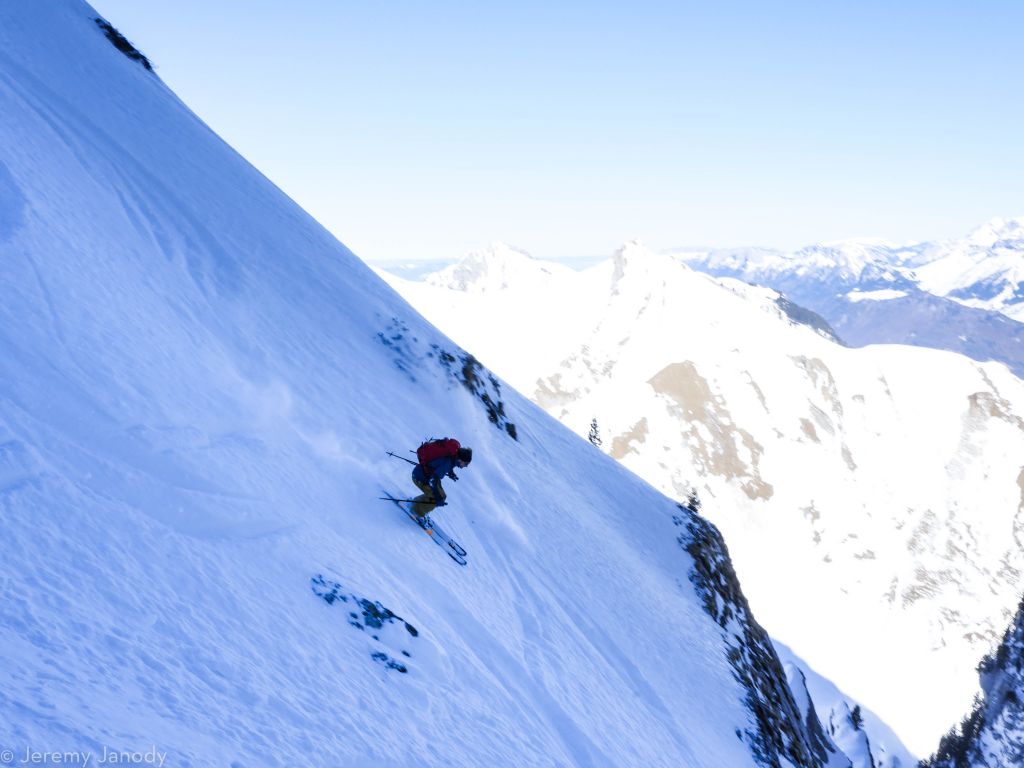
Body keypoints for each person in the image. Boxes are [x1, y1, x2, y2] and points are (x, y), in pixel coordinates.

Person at [411, 444, 473, 519]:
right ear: (460, 459)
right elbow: (433, 479)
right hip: (420, 478)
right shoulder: (449, 461)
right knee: (436, 498)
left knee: (441, 496)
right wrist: (437, 496)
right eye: (466, 463)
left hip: (424, 475)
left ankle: (415, 504)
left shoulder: (453, 458)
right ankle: (417, 512)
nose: (466, 466)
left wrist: (451, 473)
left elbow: (443, 465)